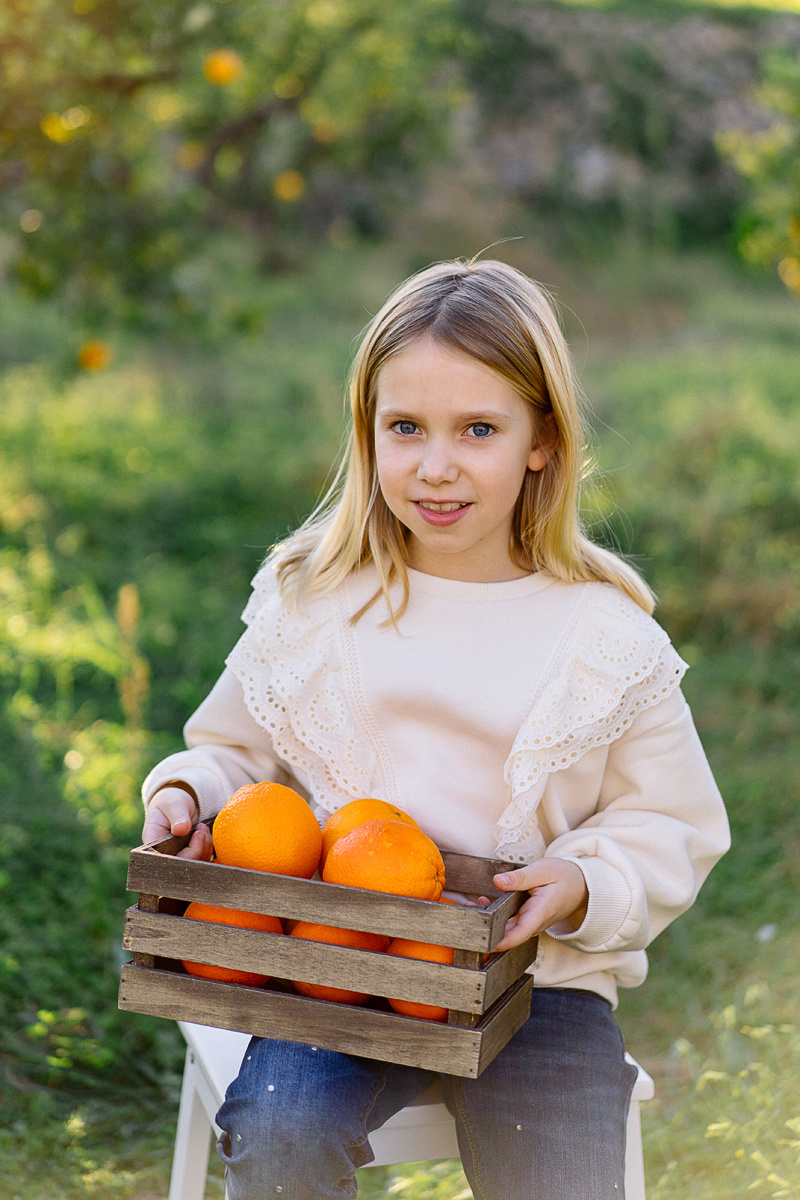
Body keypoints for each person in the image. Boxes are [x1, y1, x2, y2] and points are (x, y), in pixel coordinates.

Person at [141, 258, 729, 1200]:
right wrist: (186, 793)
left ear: (542, 439)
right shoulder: (319, 605)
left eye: (479, 430)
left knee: (559, 1173)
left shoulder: (604, 637)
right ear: (368, 434)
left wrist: (584, 882)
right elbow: (233, 753)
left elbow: (675, 823)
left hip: (539, 985)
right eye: (405, 427)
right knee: (281, 1128)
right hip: (340, 966)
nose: (436, 465)